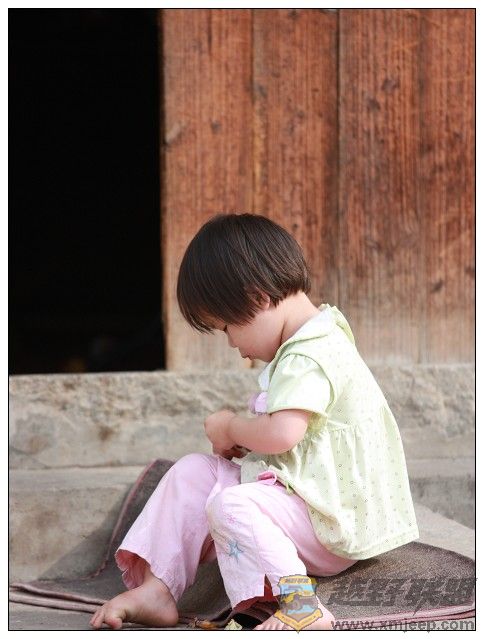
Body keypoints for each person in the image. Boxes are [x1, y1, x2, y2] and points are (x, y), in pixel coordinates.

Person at [90, 213, 419, 631]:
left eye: (227, 327)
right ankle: (159, 588)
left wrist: (232, 427)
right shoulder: (309, 339)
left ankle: (301, 604)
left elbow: (283, 434)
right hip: (303, 494)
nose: (232, 343)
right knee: (191, 472)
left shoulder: (310, 353)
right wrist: (248, 440)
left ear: (258, 298)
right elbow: (301, 437)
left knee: (231, 505)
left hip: (330, 521)